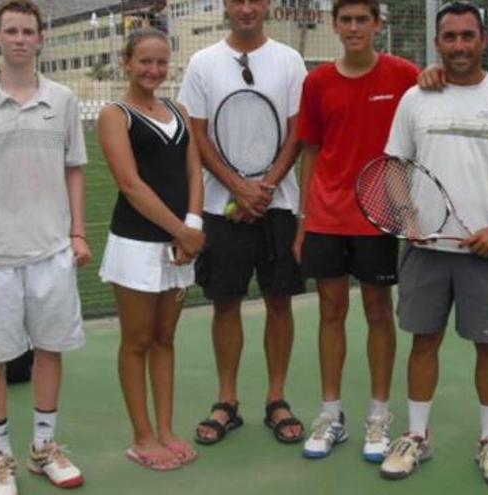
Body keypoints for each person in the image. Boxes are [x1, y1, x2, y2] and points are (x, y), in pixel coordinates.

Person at [377, 2, 488, 487]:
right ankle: (415, 437)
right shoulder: (416, 98)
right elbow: (393, 165)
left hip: (487, 253)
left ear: (484, 40)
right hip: (424, 250)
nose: (459, 46)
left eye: (468, 36)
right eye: (449, 37)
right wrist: (406, 213)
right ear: (437, 43)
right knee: (423, 341)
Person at [0, 1, 90, 492]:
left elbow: (75, 168)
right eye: (10, 30)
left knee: (50, 349)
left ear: (40, 38)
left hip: (52, 252)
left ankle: (43, 448)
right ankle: (0, 459)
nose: (18, 38)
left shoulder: (65, 100)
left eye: (27, 31)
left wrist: (77, 233)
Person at [178, 0, 308, 446]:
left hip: (278, 205)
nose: (247, 8)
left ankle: (277, 398)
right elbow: (197, 133)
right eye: (238, 0)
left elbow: (298, 132)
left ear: (267, 5)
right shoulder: (202, 63)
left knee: (279, 301)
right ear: (227, 6)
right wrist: (236, 185)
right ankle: (227, 400)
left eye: (256, 0)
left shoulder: (290, 62)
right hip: (221, 208)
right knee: (225, 302)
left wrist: (265, 187)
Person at [295, 0, 419, 462]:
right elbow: (311, 150)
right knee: (330, 311)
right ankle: (331, 414)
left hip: (379, 216)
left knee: (377, 311)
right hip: (327, 216)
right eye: (345, 20)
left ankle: (379, 415)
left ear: (377, 24)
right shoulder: (318, 82)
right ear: (334, 25)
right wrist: (305, 219)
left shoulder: (405, 74)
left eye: (361, 19)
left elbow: (446, 89)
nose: (352, 28)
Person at [97, 28, 205, 471]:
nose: (153, 70)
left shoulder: (178, 109)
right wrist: (182, 231)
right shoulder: (114, 114)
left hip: (179, 245)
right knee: (138, 340)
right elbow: (130, 184)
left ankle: (165, 429)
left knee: (165, 339)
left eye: (161, 62)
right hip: (137, 246)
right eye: (144, 61)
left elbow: (195, 172)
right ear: (127, 62)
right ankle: (141, 436)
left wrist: (193, 226)